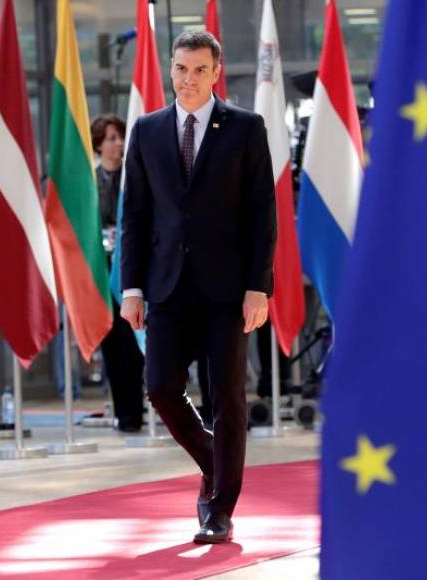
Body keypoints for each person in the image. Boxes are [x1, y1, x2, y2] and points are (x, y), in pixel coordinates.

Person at [121, 30, 276, 544]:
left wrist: (259, 286)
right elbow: (136, 216)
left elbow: (262, 214)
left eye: (199, 70)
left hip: (228, 289)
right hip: (166, 285)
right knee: (160, 386)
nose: (188, 79)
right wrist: (132, 288)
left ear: (216, 72)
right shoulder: (146, 130)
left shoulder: (246, 129)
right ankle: (215, 459)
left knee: (227, 397)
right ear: (171, 69)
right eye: (181, 68)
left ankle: (219, 508)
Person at [92, 114, 145, 433]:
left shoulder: (133, 178)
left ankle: (136, 411)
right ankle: (123, 413)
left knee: (133, 343)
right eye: (111, 138)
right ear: (99, 143)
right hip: (102, 273)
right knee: (112, 346)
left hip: (128, 274)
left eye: (120, 137)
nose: (118, 144)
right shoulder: (90, 183)